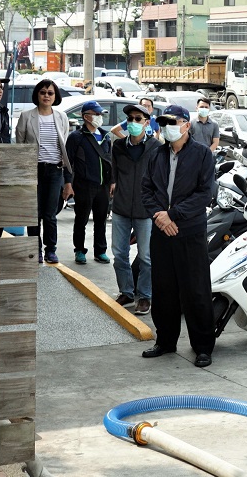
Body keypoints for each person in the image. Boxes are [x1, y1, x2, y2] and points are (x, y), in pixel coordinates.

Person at [139, 105, 217, 367]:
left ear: (186, 124)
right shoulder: (156, 155)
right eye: (164, 123)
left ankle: (203, 346)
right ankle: (166, 341)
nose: (167, 128)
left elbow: (205, 194)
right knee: (163, 290)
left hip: (190, 231)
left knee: (195, 290)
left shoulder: (202, 154)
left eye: (172, 122)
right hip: (162, 231)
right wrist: (160, 216)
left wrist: (173, 214)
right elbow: (146, 190)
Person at [15, 79, 73, 264]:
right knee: (34, 213)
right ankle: (35, 250)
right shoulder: (26, 116)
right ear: (37, 95)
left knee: (50, 214)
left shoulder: (61, 117)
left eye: (50, 93)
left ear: (55, 96)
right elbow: (20, 146)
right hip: (34, 170)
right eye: (43, 92)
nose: (46, 96)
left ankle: (51, 250)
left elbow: (63, 146)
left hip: (55, 170)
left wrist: (67, 178)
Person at [110, 104, 158, 315]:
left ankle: (145, 296)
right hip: (121, 208)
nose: (133, 122)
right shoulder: (119, 146)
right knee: (120, 254)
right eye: (130, 119)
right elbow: (114, 175)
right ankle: (127, 292)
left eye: (138, 119)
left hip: (146, 211)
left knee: (146, 257)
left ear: (147, 122)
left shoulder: (156, 147)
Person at [64, 99, 112, 264]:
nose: (100, 117)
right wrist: (68, 183)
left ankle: (100, 251)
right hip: (84, 185)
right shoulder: (76, 137)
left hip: (102, 186)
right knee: (81, 219)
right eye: (96, 114)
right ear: (86, 117)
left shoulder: (105, 136)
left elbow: (110, 160)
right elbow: (68, 162)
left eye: (100, 114)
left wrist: (111, 181)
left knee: (101, 220)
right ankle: (79, 250)